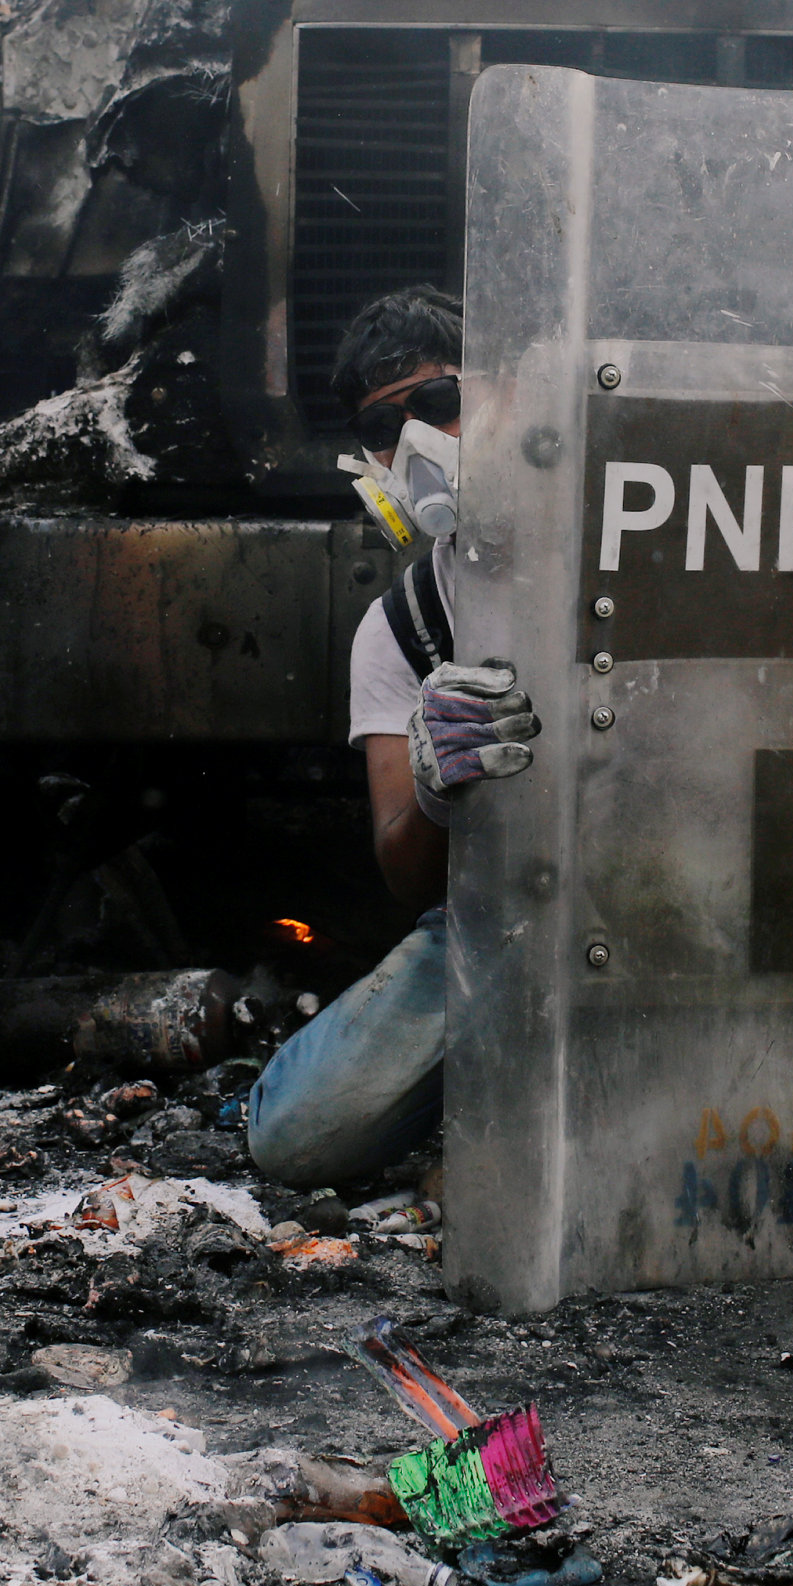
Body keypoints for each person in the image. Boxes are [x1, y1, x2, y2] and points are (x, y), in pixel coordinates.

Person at [244, 286, 538, 1187]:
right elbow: (403, 870)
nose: (416, 442)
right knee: (297, 1139)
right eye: (385, 424)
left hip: (675, 895)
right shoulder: (403, 629)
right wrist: (435, 792)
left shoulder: (638, 522)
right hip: (509, 920)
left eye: (441, 403)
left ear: (506, 396)